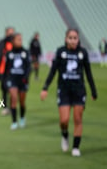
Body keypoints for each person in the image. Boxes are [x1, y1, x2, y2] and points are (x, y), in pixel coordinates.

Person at [40, 29, 97, 157]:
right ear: (66, 39)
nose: (72, 40)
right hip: (64, 90)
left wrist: (93, 90)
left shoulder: (83, 53)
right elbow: (53, 71)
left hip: (79, 90)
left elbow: (88, 73)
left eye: (75, 38)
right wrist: (45, 88)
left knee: (78, 119)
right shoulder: (61, 52)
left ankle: (76, 147)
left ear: (78, 39)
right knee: (64, 120)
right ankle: (65, 135)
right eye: (70, 38)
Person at [4, 33, 31, 130]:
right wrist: (6, 80)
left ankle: (22, 118)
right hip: (12, 80)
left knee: (22, 102)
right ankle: (14, 122)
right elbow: (6, 69)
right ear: (13, 41)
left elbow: (29, 67)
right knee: (14, 99)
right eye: (18, 39)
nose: (20, 41)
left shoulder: (25, 52)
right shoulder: (9, 54)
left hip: (23, 80)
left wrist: (26, 78)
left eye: (21, 39)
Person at [0, 27, 14, 116]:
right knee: (4, 89)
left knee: (12, 89)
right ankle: (5, 107)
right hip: (3, 70)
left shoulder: (14, 44)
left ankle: (13, 107)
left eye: (12, 32)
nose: (12, 34)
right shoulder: (2, 43)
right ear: (6, 33)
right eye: (10, 32)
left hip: (12, 71)